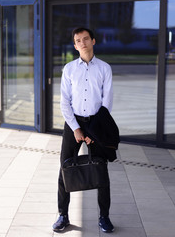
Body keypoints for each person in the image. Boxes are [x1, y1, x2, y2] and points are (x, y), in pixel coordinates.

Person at [52, 27, 115, 233]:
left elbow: (107, 101)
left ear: (93, 41)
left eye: (86, 39)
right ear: (75, 45)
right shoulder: (69, 69)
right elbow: (64, 103)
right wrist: (77, 129)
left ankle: (104, 217)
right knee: (65, 168)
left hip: (97, 124)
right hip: (74, 124)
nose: (83, 43)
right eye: (78, 40)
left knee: (101, 170)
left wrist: (93, 130)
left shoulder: (104, 68)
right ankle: (63, 215)